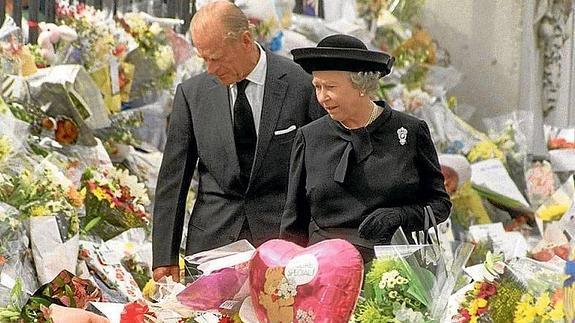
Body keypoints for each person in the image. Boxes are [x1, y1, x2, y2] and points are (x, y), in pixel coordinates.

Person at [152, 1, 324, 281]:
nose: (209, 69)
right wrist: (164, 257)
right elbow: (173, 181)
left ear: (246, 40)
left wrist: (318, 246)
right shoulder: (192, 94)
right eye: (203, 58)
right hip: (212, 244)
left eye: (216, 58)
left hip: (281, 245)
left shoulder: (300, 85)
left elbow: (318, 173)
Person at [280, 34, 451, 261]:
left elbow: (440, 204)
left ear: (361, 85)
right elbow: (294, 222)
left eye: (330, 87)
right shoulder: (310, 137)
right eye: (317, 87)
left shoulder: (410, 131)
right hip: (326, 272)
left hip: (396, 271)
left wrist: (400, 216)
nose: (322, 97)